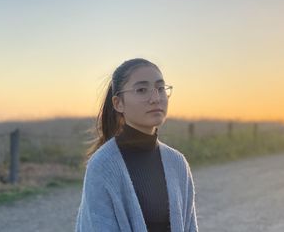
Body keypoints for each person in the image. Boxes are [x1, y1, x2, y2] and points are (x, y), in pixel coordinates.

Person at [75, 58, 198, 232]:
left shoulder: (177, 163)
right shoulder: (102, 165)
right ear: (118, 103)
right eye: (141, 90)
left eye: (161, 88)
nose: (156, 98)